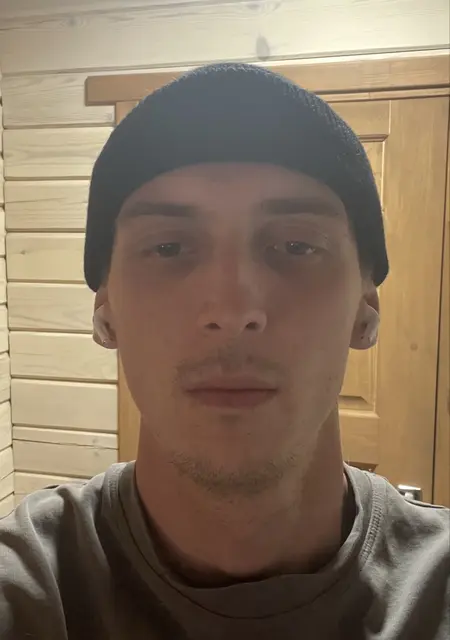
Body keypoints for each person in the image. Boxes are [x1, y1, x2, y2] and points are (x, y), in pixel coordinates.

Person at [0, 63, 448, 640]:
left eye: (296, 245)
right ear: (106, 312)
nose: (233, 309)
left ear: (366, 309)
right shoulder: (32, 589)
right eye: (168, 248)